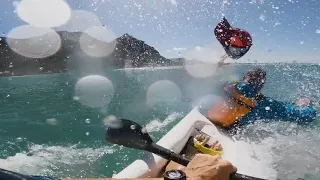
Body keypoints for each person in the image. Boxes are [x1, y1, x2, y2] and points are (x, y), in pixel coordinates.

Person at [207, 68, 317, 129]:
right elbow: (304, 116)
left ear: (244, 78)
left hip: (209, 120)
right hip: (229, 130)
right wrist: (307, 105)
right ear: (262, 85)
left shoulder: (227, 86)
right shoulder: (262, 104)